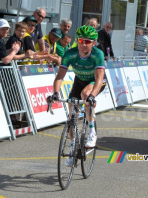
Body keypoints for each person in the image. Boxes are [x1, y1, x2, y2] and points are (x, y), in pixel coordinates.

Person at [51, 25, 106, 166]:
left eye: (88, 41)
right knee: (71, 116)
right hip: (79, 80)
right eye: (81, 40)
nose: (83, 44)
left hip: (95, 81)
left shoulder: (97, 54)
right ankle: (72, 149)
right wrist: (56, 93)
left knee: (86, 95)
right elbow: (59, 77)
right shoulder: (70, 54)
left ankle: (92, 131)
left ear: (94, 43)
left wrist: (93, 96)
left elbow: (99, 79)